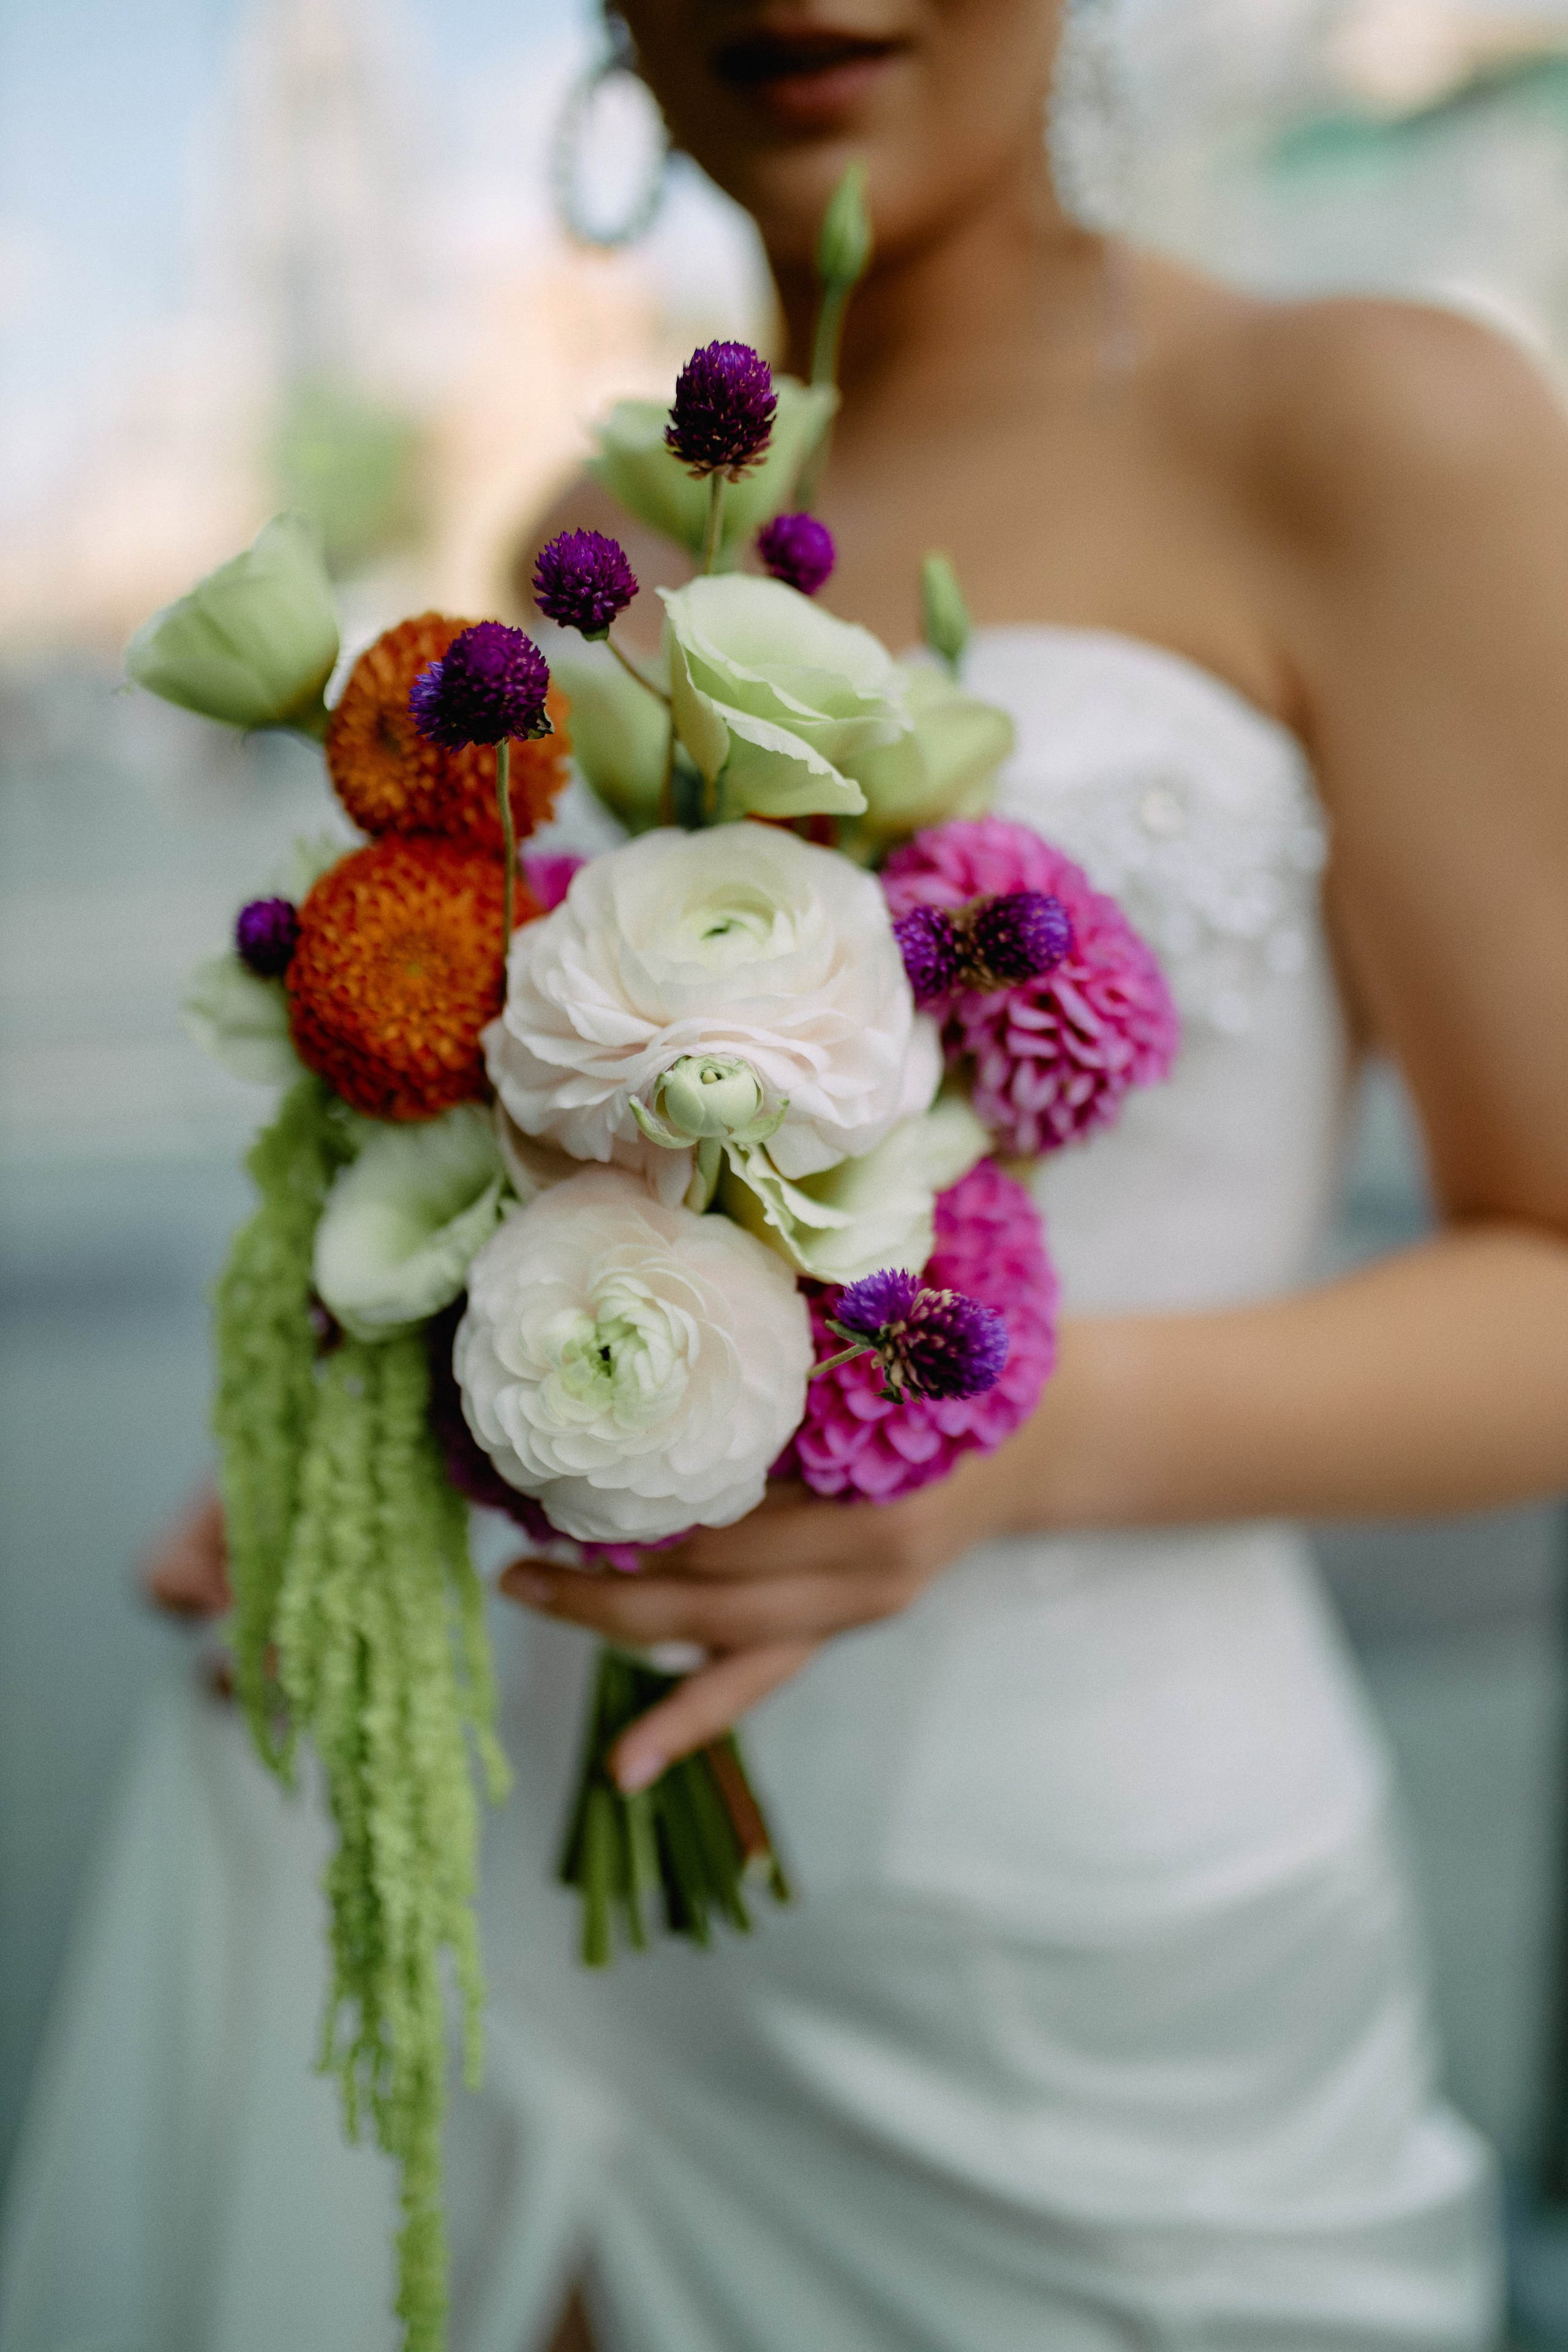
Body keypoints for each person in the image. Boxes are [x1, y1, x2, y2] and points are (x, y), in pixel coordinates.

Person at [25, 2, 1568, 2347]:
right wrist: (374, 1437)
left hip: (1065, 1968)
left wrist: (1007, 1445)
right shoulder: (581, 545)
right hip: (516, 1857)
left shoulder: (1375, 423)